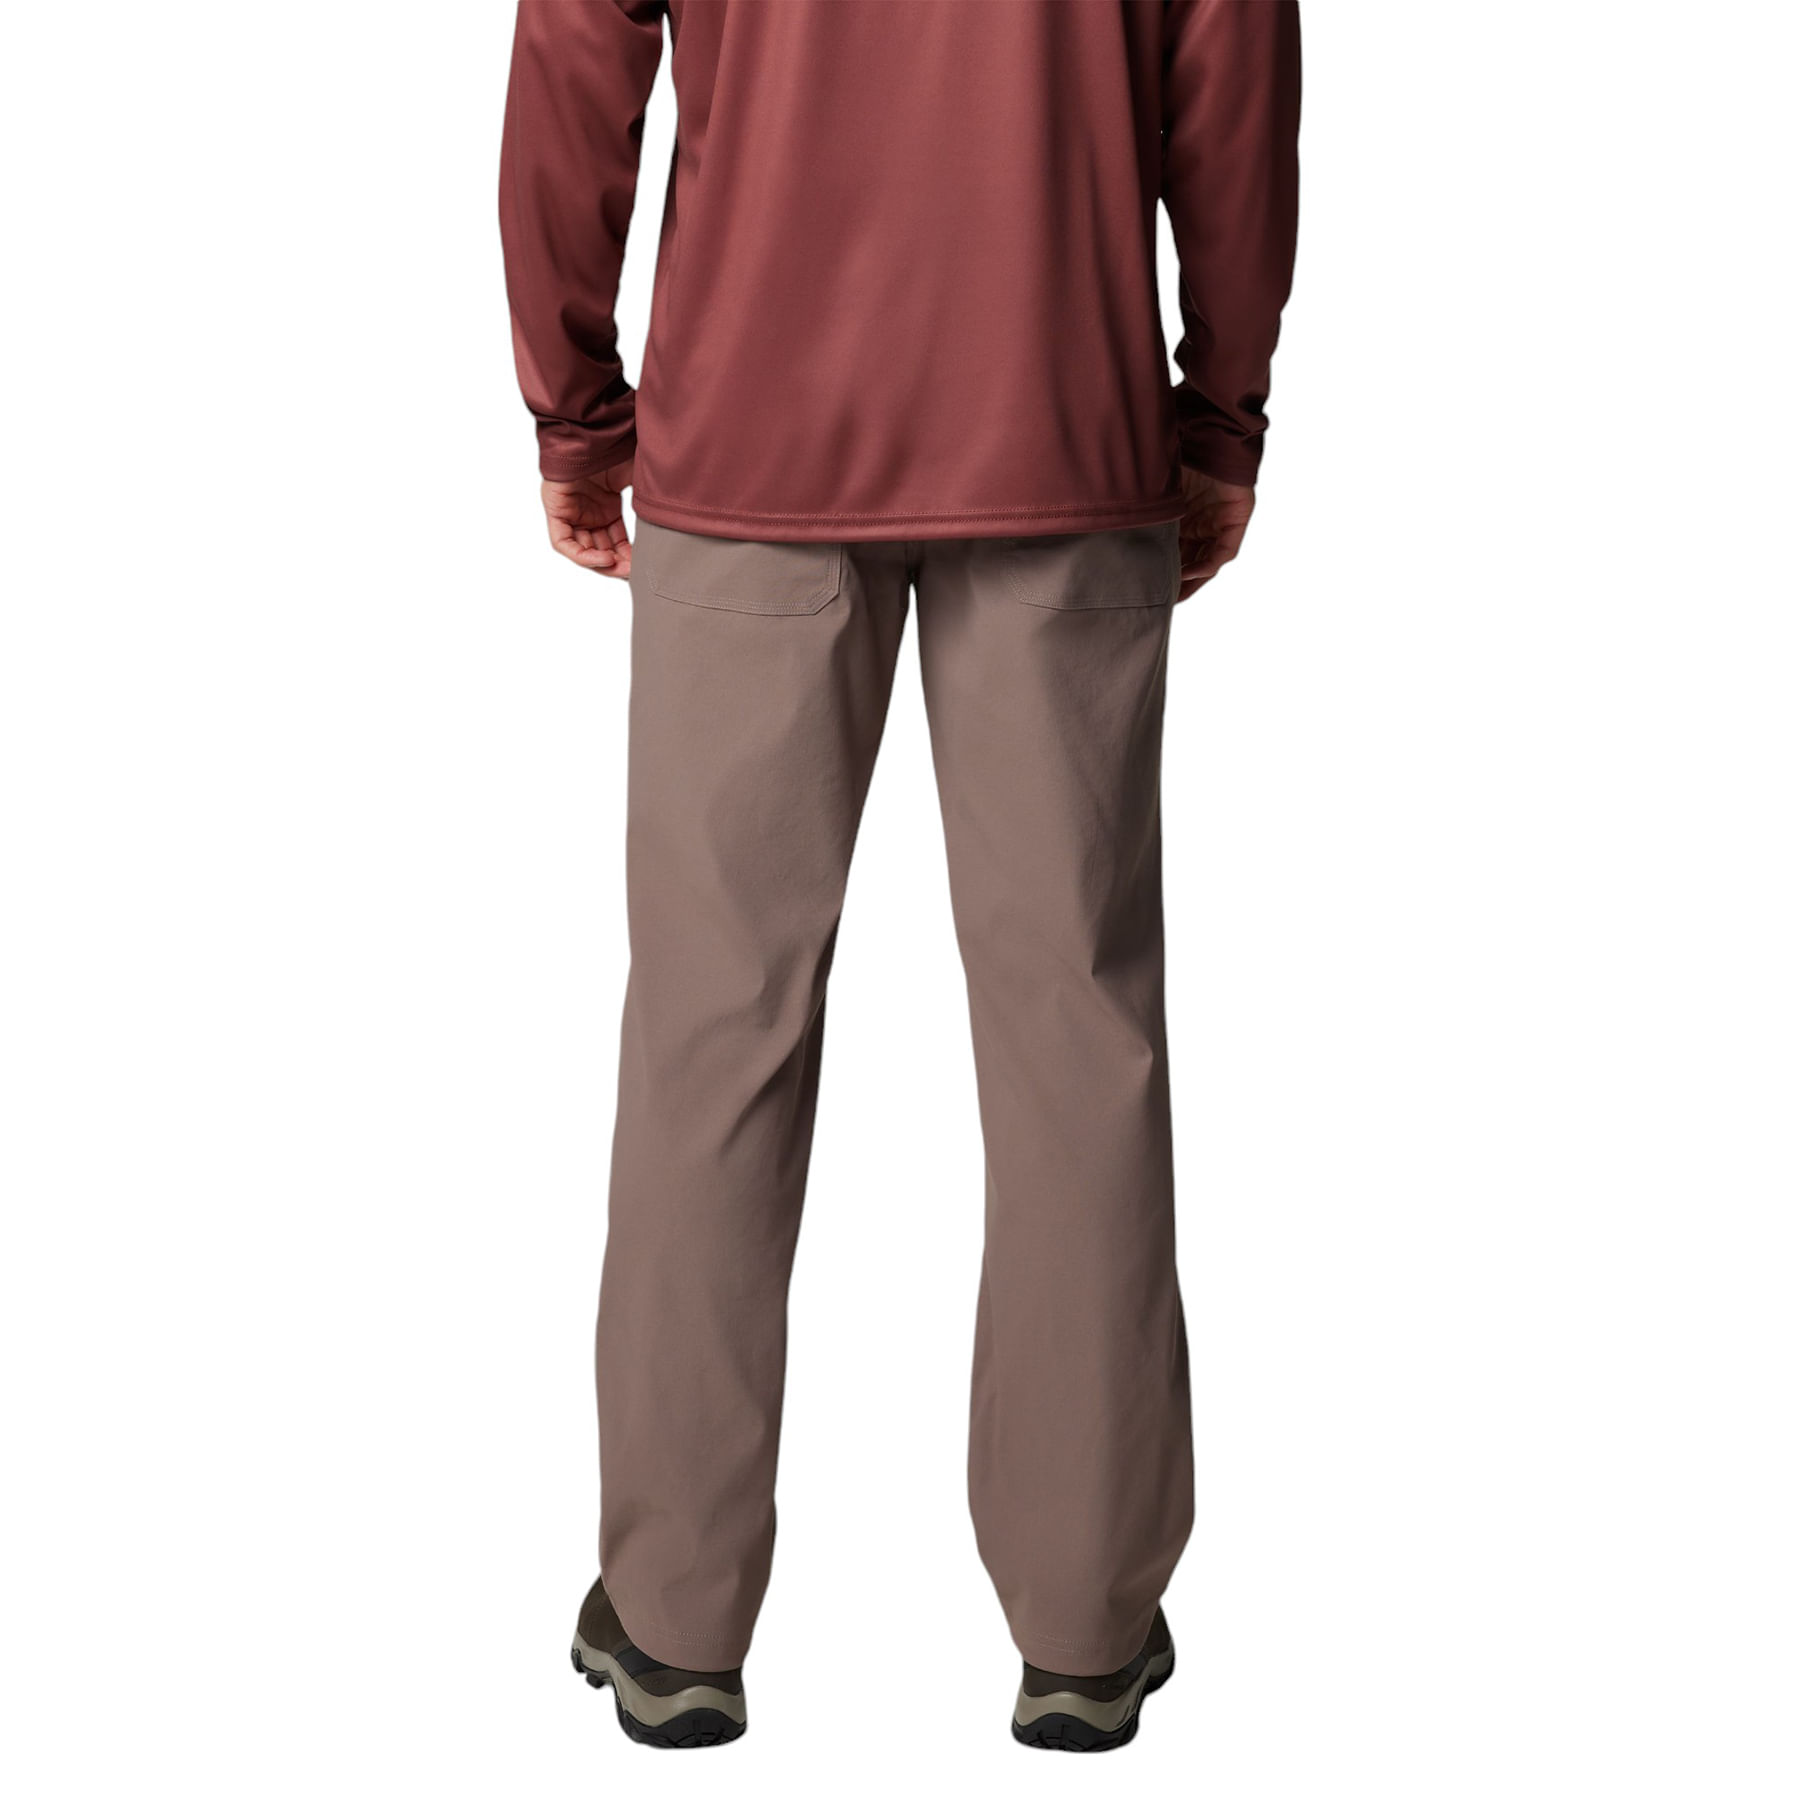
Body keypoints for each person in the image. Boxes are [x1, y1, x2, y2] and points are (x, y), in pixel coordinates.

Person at [501, 0, 1299, 1752]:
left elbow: (574, 51)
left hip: (749, 443)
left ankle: (675, 1614)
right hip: (1064, 429)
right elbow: (1232, 70)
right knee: (1077, 1039)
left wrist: (574, 408)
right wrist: (1221, 409)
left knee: (714, 1037)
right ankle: (1088, 1619)